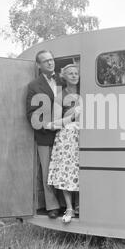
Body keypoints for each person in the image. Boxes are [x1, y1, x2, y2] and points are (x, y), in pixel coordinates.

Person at [26, 50, 62, 219]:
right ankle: (52, 206)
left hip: (65, 133)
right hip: (45, 135)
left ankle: (65, 204)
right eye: (46, 61)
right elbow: (31, 114)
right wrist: (48, 126)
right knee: (48, 171)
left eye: (51, 59)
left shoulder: (62, 80)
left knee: (64, 168)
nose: (50, 63)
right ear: (39, 65)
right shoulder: (34, 86)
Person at [47, 64, 81, 223]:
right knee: (66, 172)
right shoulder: (60, 96)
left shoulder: (85, 92)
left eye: (76, 73)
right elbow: (55, 123)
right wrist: (73, 117)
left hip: (83, 136)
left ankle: (81, 205)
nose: (74, 76)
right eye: (71, 74)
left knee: (81, 170)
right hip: (67, 137)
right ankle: (69, 208)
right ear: (64, 77)